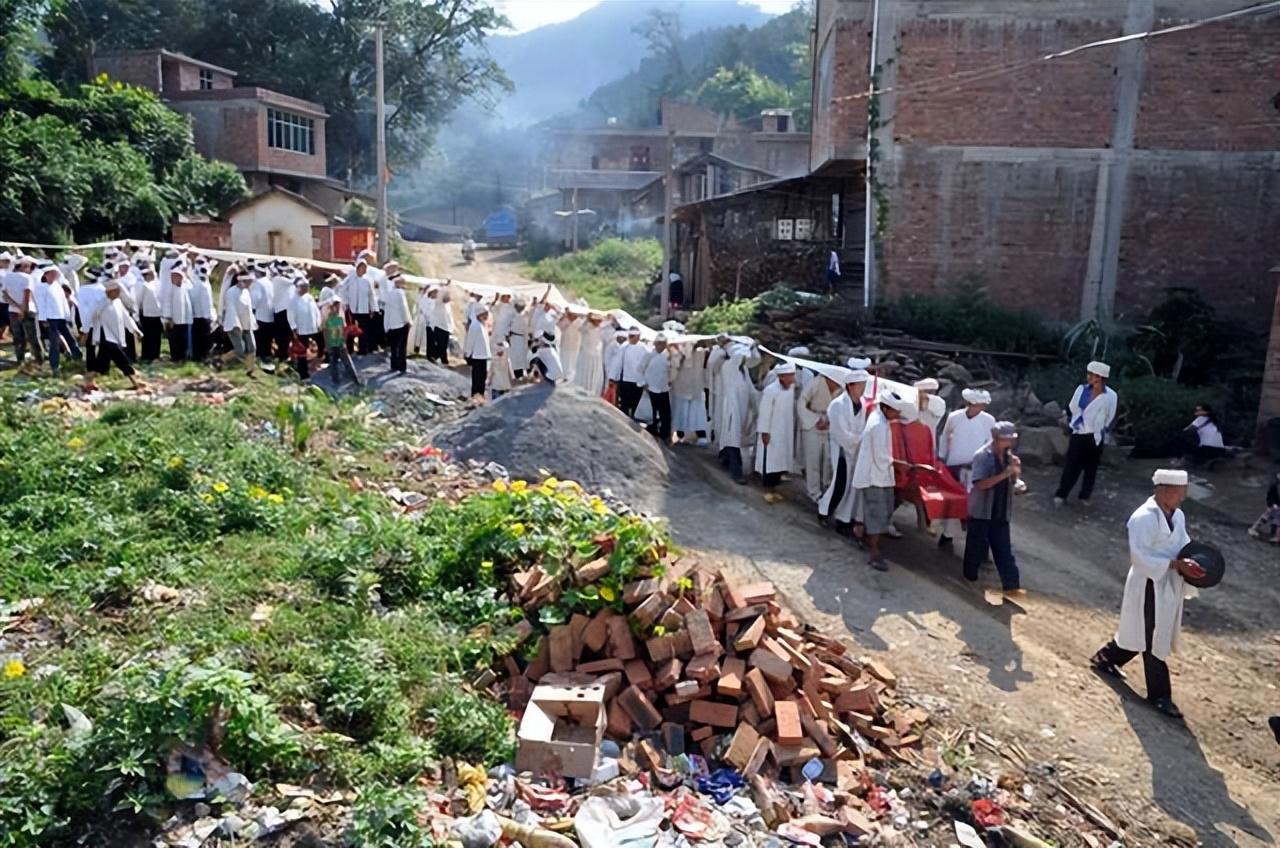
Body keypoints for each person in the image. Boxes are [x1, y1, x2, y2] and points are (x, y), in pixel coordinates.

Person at [1091, 469, 1204, 719]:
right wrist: (1176, 565)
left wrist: (1192, 561)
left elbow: (1183, 545)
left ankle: (1107, 656)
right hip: (1149, 581)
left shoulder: (1178, 516)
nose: (1181, 499)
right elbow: (1140, 557)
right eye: (1178, 493)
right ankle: (1160, 695)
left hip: (1168, 582)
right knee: (1153, 635)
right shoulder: (1142, 518)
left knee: (1145, 629)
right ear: (1162, 491)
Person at [963, 421, 1024, 596]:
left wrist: (1016, 476)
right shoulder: (982, 456)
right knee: (975, 548)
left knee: (1004, 550)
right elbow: (981, 484)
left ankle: (1011, 585)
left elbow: (1011, 482)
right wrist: (1005, 473)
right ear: (996, 439)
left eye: (1012, 440)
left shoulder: (1008, 456)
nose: (1010, 444)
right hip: (982, 511)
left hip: (1000, 510)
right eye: (1007, 440)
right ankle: (969, 579)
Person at [853, 390, 907, 571]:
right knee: (877, 513)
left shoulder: (881, 420)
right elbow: (881, 456)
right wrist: (899, 464)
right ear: (885, 408)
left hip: (881, 475)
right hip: (873, 476)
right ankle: (874, 554)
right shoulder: (877, 425)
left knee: (883, 510)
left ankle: (862, 534)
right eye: (895, 411)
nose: (898, 415)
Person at [936, 389, 996, 553]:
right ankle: (947, 536)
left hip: (975, 469)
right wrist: (941, 457)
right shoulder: (954, 417)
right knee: (954, 502)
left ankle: (978, 544)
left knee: (976, 506)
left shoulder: (989, 421)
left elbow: (990, 444)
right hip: (954, 466)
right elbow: (944, 436)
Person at [1055, 361, 1118, 506]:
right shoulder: (1081, 389)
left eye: (1092, 375)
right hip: (1079, 432)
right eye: (1089, 374)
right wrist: (1080, 420)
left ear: (1100, 377)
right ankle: (1061, 493)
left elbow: (1110, 415)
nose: (1089, 377)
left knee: (1091, 468)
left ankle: (1085, 496)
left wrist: (1100, 425)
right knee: (1071, 465)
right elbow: (1073, 406)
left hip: (1095, 435)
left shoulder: (1111, 396)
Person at [818, 369, 869, 531]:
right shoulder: (838, 405)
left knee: (851, 487)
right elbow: (841, 432)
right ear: (851, 386)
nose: (862, 388)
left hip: (855, 450)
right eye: (861, 385)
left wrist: (859, 440)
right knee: (839, 483)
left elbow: (862, 427)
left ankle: (844, 519)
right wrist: (857, 440)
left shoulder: (861, 405)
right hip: (841, 450)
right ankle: (824, 511)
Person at [91, 278, 144, 390]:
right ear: (110, 292)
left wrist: (135, 330)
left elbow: (126, 318)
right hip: (107, 336)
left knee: (101, 364)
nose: (119, 293)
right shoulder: (102, 303)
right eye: (116, 291)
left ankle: (89, 381)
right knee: (122, 360)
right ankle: (135, 381)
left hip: (115, 336)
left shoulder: (118, 302)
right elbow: (94, 316)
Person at [797, 369, 840, 502]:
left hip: (830, 425)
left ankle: (827, 487)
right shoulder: (816, 383)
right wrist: (815, 420)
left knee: (828, 460)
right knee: (813, 460)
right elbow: (801, 403)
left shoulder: (841, 388)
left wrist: (829, 420)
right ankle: (814, 492)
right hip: (812, 423)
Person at [716, 345, 755, 484]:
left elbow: (750, 389)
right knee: (733, 440)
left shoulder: (743, 370)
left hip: (741, 409)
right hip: (732, 410)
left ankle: (724, 458)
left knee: (732, 438)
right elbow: (736, 358)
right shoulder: (728, 367)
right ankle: (736, 472)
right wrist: (749, 346)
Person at [755, 362, 797, 490]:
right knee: (771, 456)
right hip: (772, 428)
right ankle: (768, 482)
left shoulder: (791, 389)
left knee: (782, 455)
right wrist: (764, 431)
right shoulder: (770, 390)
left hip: (786, 427)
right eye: (789, 376)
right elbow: (764, 412)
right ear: (782, 377)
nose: (792, 378)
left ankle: (778, 478)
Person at [34, 262, 81, 374]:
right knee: (54, 342)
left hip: (61, 317)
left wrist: (67, 316)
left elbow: (63, 302)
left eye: (54, 273)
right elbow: (41, 304)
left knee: (70, 338)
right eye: (51, 274)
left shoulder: (57, 286)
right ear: (45, 275)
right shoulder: (41, 287)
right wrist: (43, 318)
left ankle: (78, 359)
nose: (54, 276)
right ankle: (55, 366)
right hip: (50, 318)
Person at [4, 255, 43, 366]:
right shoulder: (27, 278)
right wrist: (23, 310)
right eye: (28, 267)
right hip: (28, 310)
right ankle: (39, 360)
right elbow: (27, 295)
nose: (29, 270)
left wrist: (16, 306)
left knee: (18, 337)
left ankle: (20, 359)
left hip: (12, 310)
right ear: (23, 266)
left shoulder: (8, 277)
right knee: (33, 337)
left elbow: (5, 295)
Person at [219, 273, 259, 378]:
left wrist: (252, 322)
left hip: (246, 324)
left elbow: (248, 310)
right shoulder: (231, 292)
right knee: (239, 350)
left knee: (252, 347)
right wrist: (237, 325)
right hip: (234, 324)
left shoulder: (246, 292)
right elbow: (231, 310)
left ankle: (250, 370)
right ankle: (222, 359)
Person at [671, 343, 709, 445]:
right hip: (690, 387)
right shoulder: (701, 352)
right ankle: (686, 435)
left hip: (688, 387)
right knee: (690, 413)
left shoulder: (695, 353)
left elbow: (676, 367)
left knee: (688, 413)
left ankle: (691, 435)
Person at [340, 258, 378, 355]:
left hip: (364, 309)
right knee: (351, 330)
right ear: (358, 268)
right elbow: (343, 290)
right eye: (362, 267)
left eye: (365, 267)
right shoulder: (351, 279)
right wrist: (345, 303)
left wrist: (373, 308)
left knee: (363, 330)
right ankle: (350, 349)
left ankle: (362, 350)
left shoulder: (367, 280)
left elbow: (371, 295)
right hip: (352, 309)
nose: (364, 269)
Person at [322, 299, 363, 387]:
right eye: (335, 307)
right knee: (334, 364)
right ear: (331, 308)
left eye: (338, 307)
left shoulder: (340, 319)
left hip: (340, 343)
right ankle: (335, 382)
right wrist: (326, 345)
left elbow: (344, 331)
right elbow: (325, 333)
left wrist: (344, 341)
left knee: (347, 362)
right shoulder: (327, 321)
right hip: (332, 343)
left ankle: (355, 380)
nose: (337, 309)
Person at [640, 333, 673, 442]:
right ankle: (652, 430)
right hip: (651, 387)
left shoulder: (667, 355)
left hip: (663, 387)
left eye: (663, 344)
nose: (661, 346)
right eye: (659, 344)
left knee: (665, 413)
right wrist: (643, 383)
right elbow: (640, 369)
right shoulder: (649, 355)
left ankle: (665, 434)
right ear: (655, 344)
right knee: (652, 412)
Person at [610, 327, 648, 418]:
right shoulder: (624, 347)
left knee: (635, 404)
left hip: (638, 382)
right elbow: (617, 363)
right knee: (624, 405)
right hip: (625, 380)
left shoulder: (644, 348)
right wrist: (613, 377)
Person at [160, 263, 194, 362]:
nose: (174, 278)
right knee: (174, 339)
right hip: (174, 320)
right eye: (173, 276)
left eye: (176, 276)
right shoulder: (169, 288)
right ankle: (175, 357)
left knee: (183, 339)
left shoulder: (185, 287)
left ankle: (183, 356)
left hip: (184, 319)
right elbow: (167, 304)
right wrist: (168, 318)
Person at [134, 265, 165, 363]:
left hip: (157, 314)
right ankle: (146, 356)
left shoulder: (157, 284)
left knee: (156, 336)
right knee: (147, 336)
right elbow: (138, 300)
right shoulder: (142, 285)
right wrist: (138, 313)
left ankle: (155, 355)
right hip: (146, 314)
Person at [382, 272, 411, 375]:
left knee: (394, 348)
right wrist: (408, 321)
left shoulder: (389, 294)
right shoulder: (400, 293)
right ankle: (402, 367)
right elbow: (404, 308)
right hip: (401, 323)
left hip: (391, 325)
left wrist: (386, 326)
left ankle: (393, 366)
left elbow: (387, 311)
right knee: (402, 347)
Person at [706, 333, 732, 441]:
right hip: (718, 384)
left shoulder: (728, 351)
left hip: (725, 384)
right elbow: (713, 366)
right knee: (717, 411)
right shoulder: (718, 352)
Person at [574, 312, 607, 397]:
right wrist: (587, 319)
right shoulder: (587, 327)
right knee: (585, 373)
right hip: (586, 354)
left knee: (593, 374)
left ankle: (591, 390)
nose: (599, 323)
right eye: (597, 321)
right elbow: (580, 329)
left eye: (599, 321)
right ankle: (583, 388)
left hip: (595, 355)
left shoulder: (600, 329)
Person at [188, 259, 216, 362]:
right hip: (203, 317)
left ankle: (197, 357)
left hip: (197, 316)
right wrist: (210, 317)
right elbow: (206, 303)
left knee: (197, 339)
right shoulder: (203, 286)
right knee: (204, 339)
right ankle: (202, 357)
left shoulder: (196, 283)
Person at [463, 303, 491, 398]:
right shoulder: (475, 326)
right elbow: (470, 341)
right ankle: (476, 395)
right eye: (484, 314)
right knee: (477, 377)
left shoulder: (482, 326)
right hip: (477, 356)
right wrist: (467, 353)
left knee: (482, 377)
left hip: (483, 355)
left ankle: (481, 394)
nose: (486, 316)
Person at [249, 265, 276, 363]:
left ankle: (259, 358)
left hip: (260, 315)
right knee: (267, 340)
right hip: (269, 314)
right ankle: (267, 357)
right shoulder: (270, 282)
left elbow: (255, 299)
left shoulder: (258, 283)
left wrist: (251, 310)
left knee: (259, 339)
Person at [270, 261, 297, 360]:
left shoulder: (277, 280)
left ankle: (284, 354)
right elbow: (294, 280)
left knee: (283, 335)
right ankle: (283, 355)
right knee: (283, 336)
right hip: (282, 311)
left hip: (280, 310)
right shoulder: (279, 280)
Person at [1247, 473, 1280, 544]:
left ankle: (1275, 536)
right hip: (1274, 506)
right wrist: (1271, 505)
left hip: (1277, 506)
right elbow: (1269, 495)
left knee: (1276, 521)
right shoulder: (1274, 485)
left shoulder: (1275, 485)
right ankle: (1253, 528)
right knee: (1266, 517)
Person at [429, 285, 455, 365]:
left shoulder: (447, 306)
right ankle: (435, 357)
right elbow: (441, 291)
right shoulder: (438, 302)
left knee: (444, 346)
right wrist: (446, 285)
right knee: (441, 346)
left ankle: (444, 360)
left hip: (446, 327)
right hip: (439, 326)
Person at [508, 297, 532, 378]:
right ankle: (517, 374)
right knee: (515, 358)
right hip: (514, 339)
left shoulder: (524, 316)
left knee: (521, 357)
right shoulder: (512, 316)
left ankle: (523, 374)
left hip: (521, 339)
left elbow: (526, 330)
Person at [410, 286, 433, 358]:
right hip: (419, 317)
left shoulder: (427, 299)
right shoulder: (421, 297)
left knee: (421, 334)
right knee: (417, 333)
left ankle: (419, 348)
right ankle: (415, 347)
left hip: (423, 318)